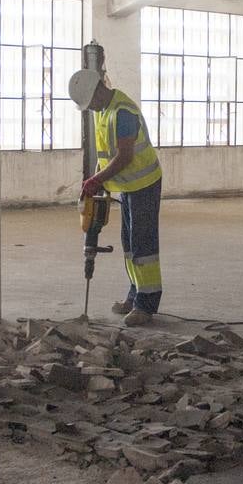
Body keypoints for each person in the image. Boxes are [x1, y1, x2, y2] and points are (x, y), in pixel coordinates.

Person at [68, 69, 163, 327]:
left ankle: (147, 304)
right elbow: (106, 155)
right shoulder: (104, 112)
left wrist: (97, 180)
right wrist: (95, 182)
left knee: (143, 245)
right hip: (128, 187)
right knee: (129, 243)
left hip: (144, 183)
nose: (92, 108)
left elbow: (124, 157)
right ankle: (135, 295)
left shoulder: (122, 111)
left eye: (91, 103)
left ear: (99, 89)